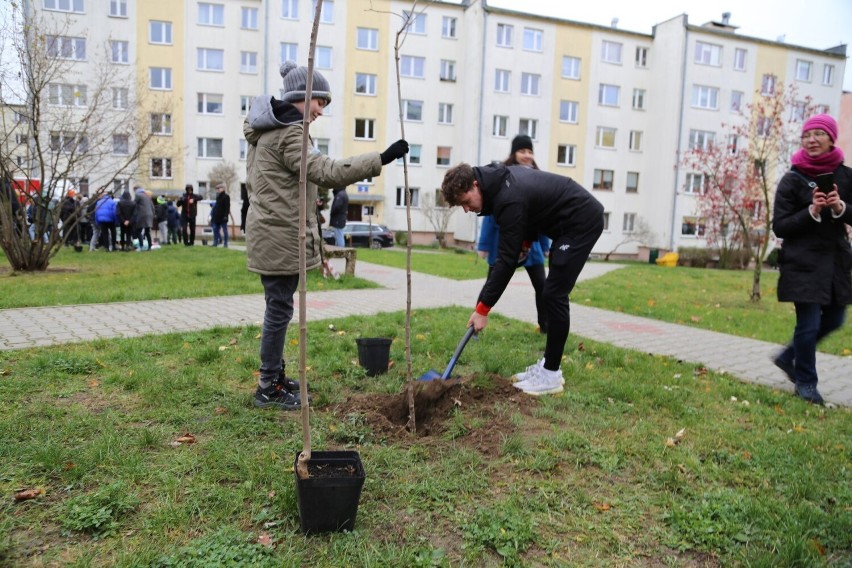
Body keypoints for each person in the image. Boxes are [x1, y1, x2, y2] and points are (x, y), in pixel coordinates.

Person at [243, 60, 408, 410]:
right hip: (279, 235)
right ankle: (268, 386)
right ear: (300, 96)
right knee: (279, 309)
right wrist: (380, 158)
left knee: (280, 307)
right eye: (319, 101)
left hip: (273, 231)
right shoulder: (289, 132)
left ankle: (275, 375)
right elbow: (328, 171)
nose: (321, 109)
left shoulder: (271, 130)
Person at [441, 162, 604, 396]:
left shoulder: (508, 197)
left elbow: (505, 260)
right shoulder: (500, 184)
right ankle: (548, 365)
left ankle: (551, 375)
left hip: (582, 222)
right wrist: (525, 243)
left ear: (475, 184)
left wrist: (483, 309)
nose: (467, 209)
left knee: (554, 294)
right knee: (551, 292)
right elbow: (531, 211)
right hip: (566, 225)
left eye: (466, 201)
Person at [771, 114, 851, 405]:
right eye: (807, 135)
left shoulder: (846, 176)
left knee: (834, 319)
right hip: (802, 263)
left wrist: (840, 207)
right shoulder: (792, 179)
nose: (812, 139)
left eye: (819, 133)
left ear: (831, 138)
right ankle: (805, 382)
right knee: (808, 325)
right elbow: (780, 225)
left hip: (836, 264)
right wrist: (812, 212)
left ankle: (788, 356)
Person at [477, 135, 551, 333]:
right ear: (514, 153)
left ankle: (545, 326)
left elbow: (543, 216)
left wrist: (545, 246)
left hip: (532, 247)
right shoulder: (502, 176)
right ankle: (475, 326)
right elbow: (489, 216)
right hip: (504, 243)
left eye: (529, 151)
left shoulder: (539, 176)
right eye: (522, 151)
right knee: (491, 284)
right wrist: (483, 245)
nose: (527, 155)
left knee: (542, 287)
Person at [133, 186, 155, 251]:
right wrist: (153, 215)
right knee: (147, 232)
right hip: (149, 215)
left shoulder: (138, 195)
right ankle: (150, 246)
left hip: (142, 215)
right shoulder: (147, 196)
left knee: (139, 231)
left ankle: (141, 246)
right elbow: (152, 207)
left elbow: (134, 204)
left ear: (135, 190)